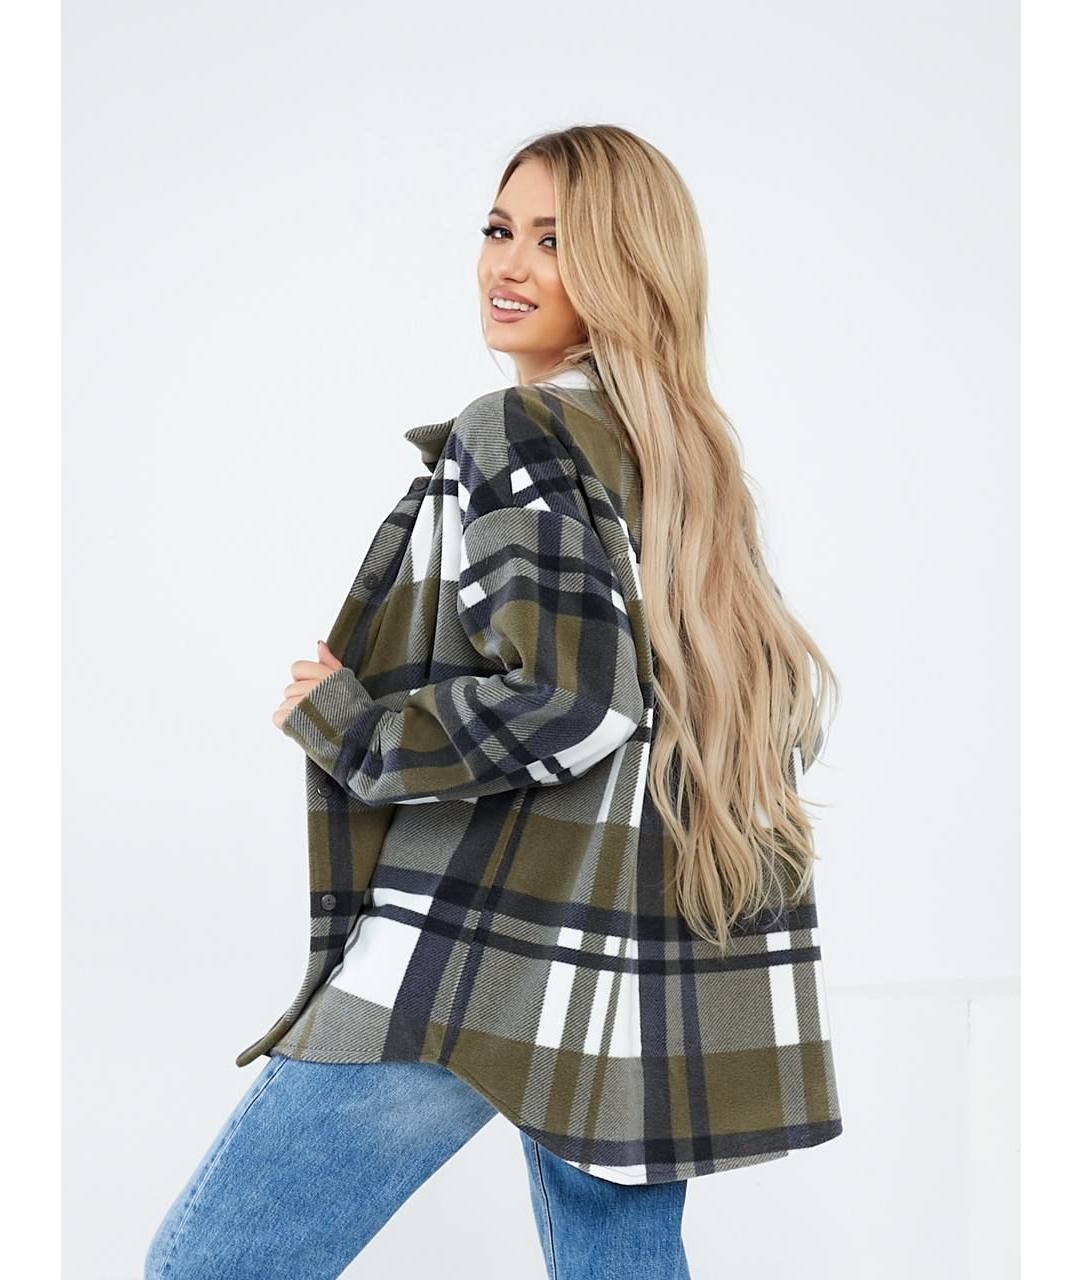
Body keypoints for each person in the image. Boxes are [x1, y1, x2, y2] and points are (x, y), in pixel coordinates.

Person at [145, 124, 841, 1280]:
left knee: (213, 1263)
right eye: (498, 228)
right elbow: (724, 709)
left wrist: (350, 723)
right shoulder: (682, 460)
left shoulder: (516, 429)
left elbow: (573, 700)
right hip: (637, 950)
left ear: (626, 266)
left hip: (481, 946)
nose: (509, 265)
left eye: (555, 241)